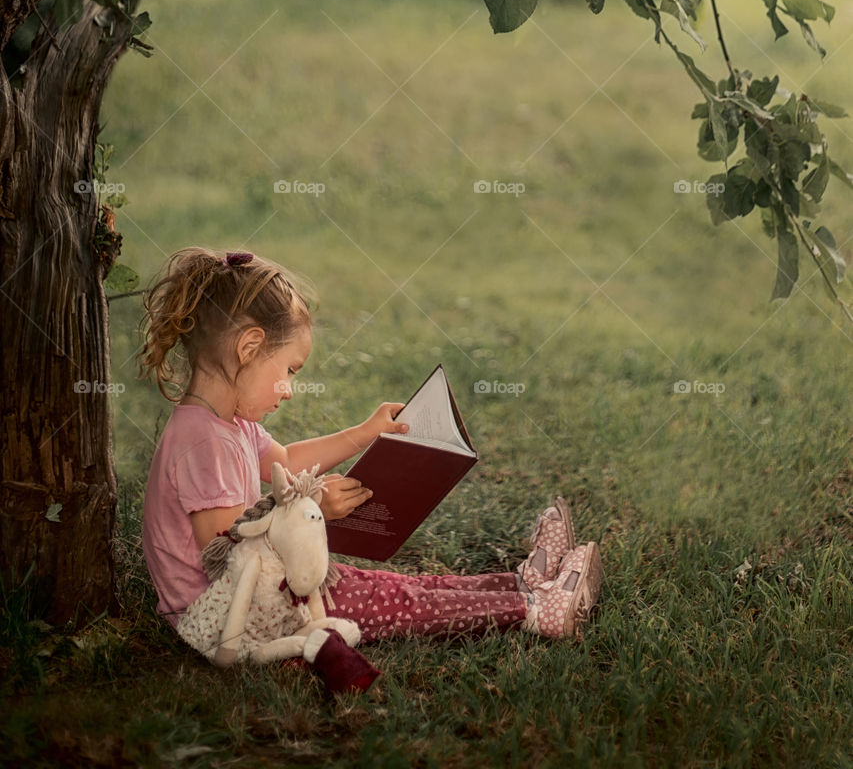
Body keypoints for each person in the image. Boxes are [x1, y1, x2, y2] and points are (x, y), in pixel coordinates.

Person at [136, 246, 602, 647]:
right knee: (387, 598)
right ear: (249, 347)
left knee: (393, 586)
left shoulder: (229, 423)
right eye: (290, 370)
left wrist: (364, 433)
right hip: (224, 621)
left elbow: (285, 461)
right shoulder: (200, 443)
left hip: (254, 597)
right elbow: (227, 552)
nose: (289, 389)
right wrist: (312, 506)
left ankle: (523, 583)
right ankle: (536, 611)